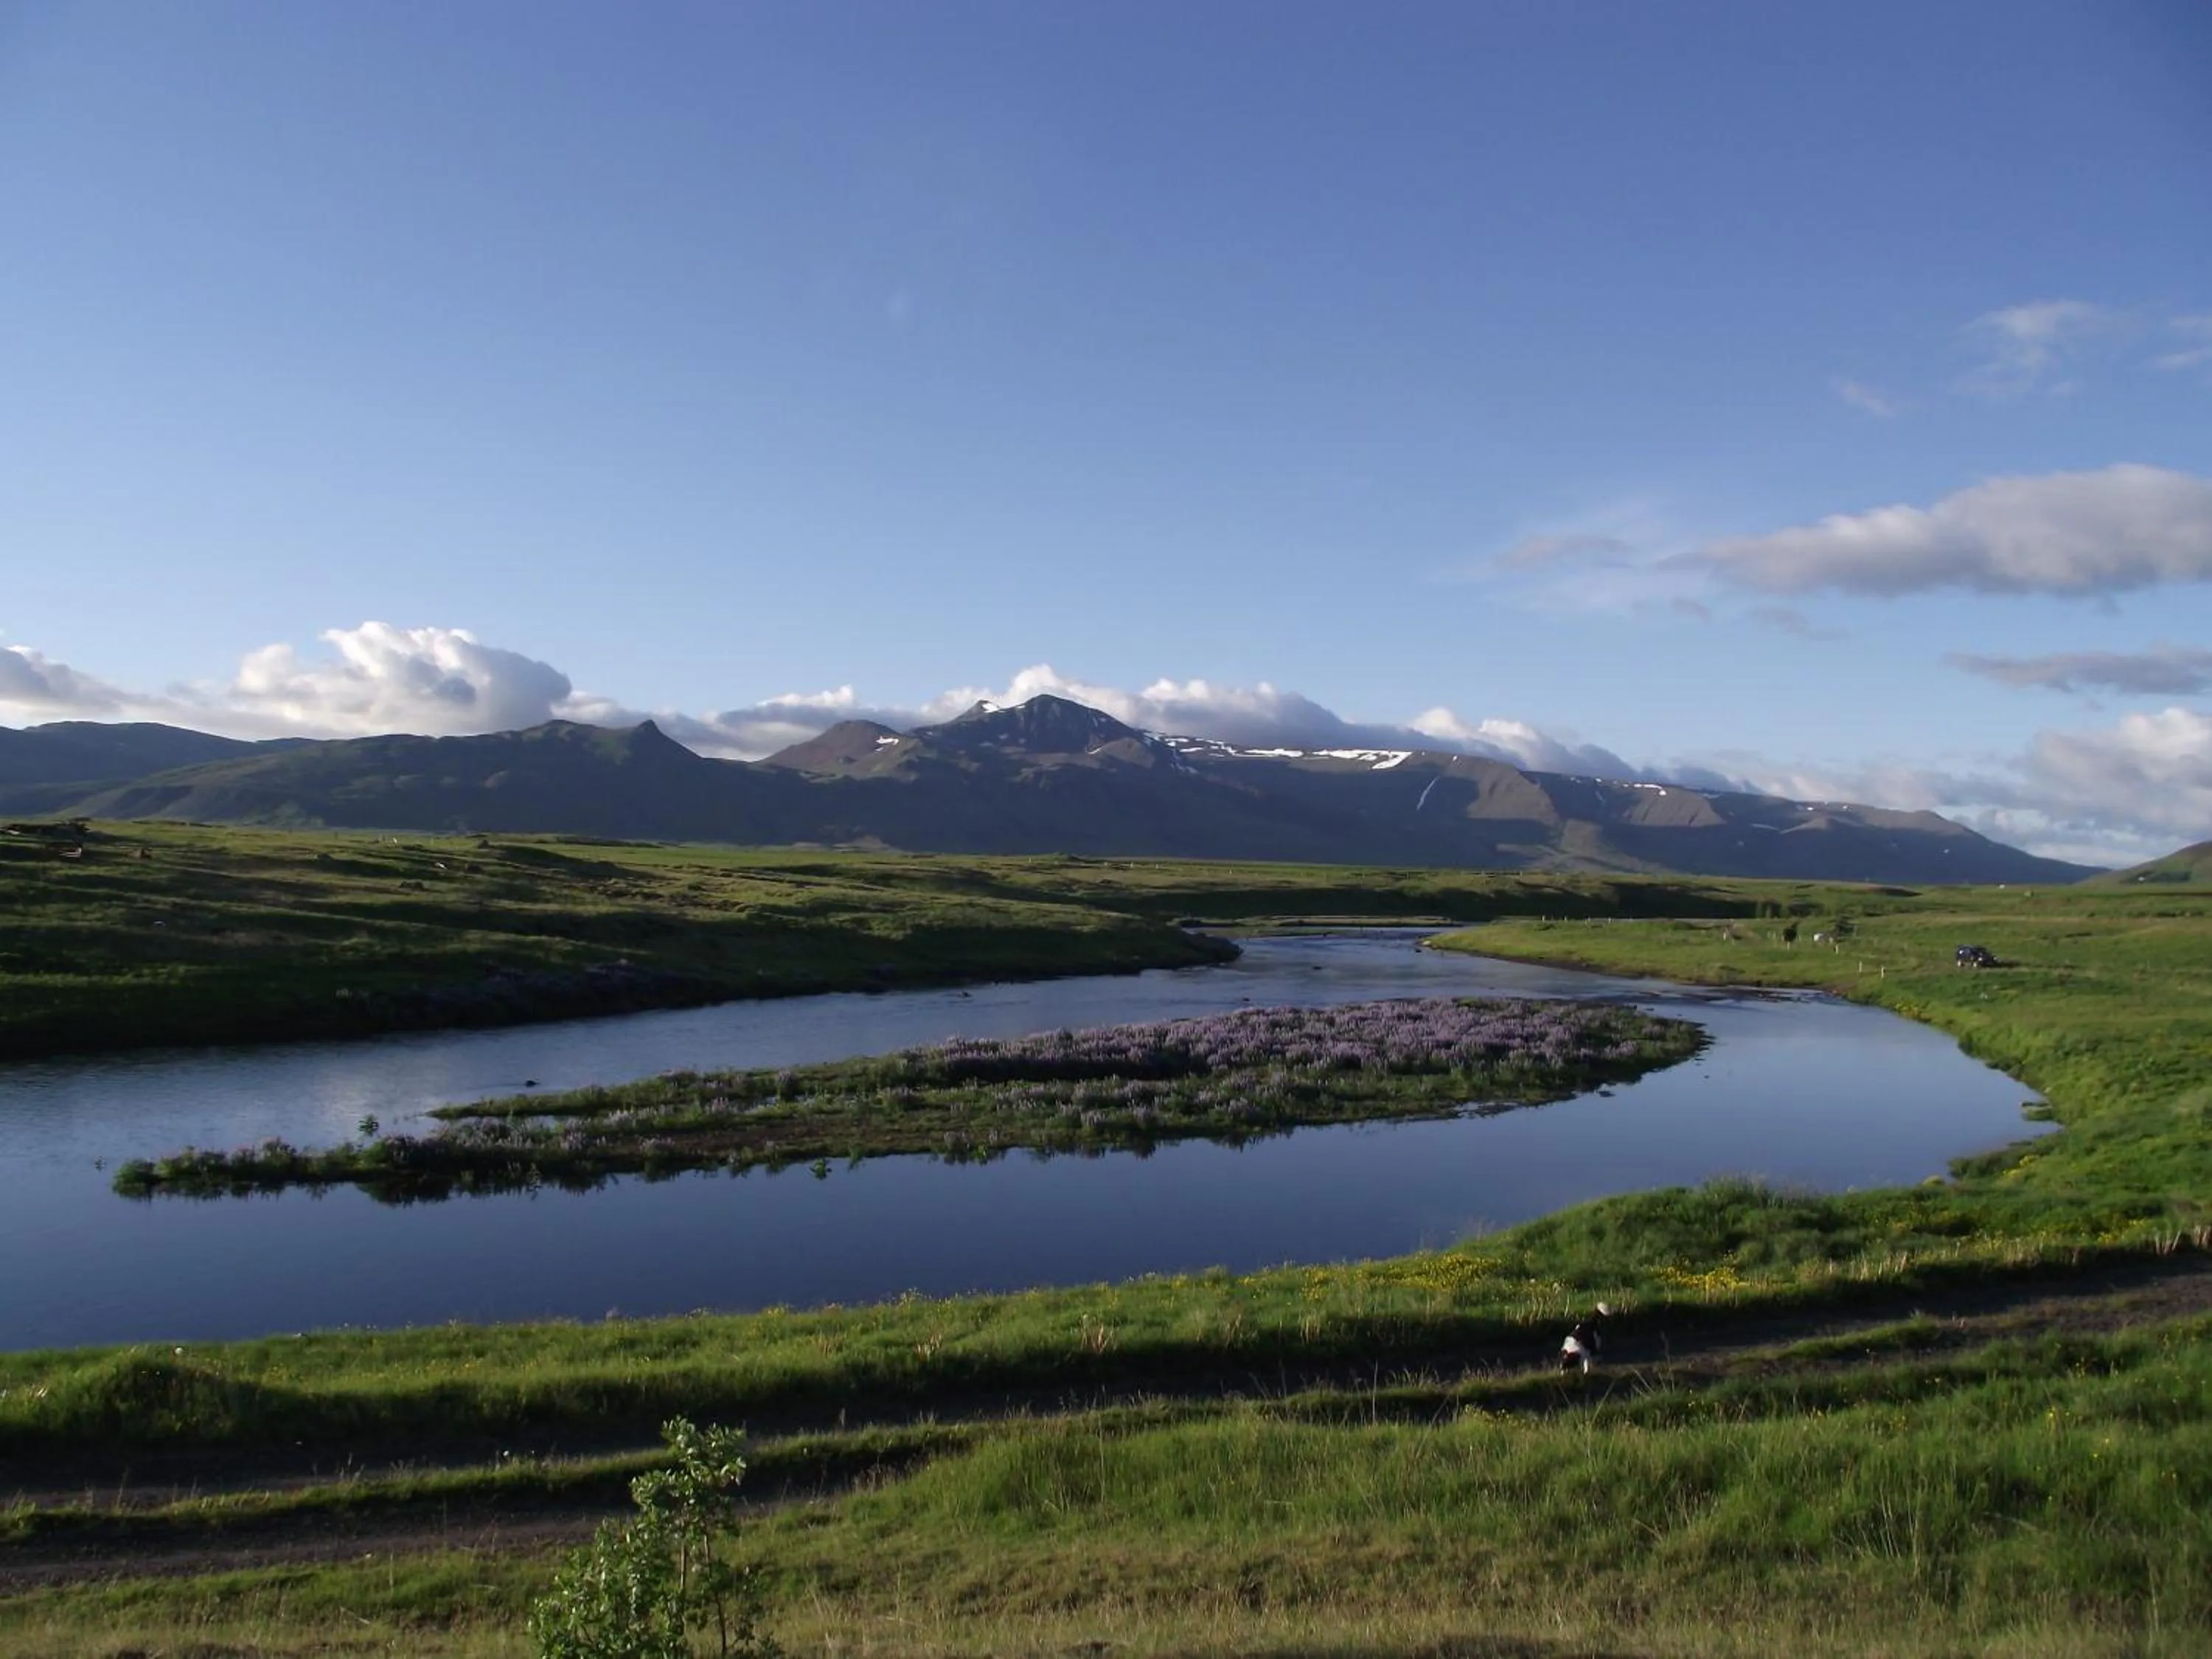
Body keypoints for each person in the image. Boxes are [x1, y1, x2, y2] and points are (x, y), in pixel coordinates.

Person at [1559, 1302, 1612, 1374]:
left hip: (1583, 1336)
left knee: (1594, 1348)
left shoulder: (1579, 1353)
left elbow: (1586, 1361)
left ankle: (1599, 1312)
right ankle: (1599, 1312)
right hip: (1577, 1336)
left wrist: (1586, 1373)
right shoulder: (1568, 1353)